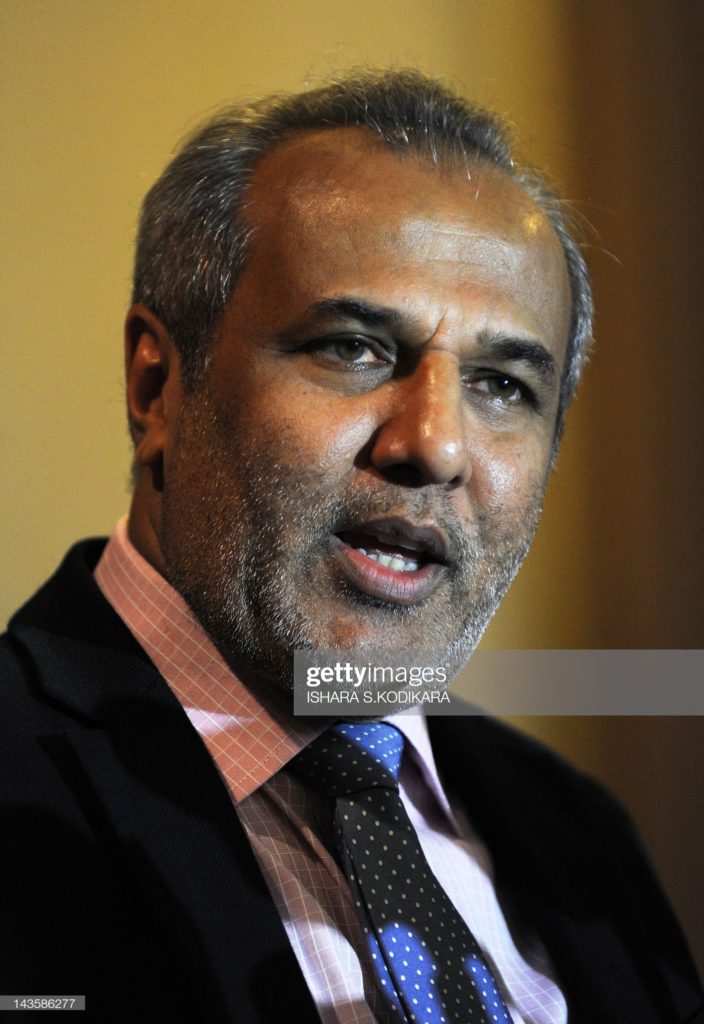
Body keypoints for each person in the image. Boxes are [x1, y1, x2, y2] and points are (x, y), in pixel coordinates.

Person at [1, 69, 701, 1024]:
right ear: (157, 387)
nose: (435, 444)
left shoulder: (583, 837)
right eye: (353, 348)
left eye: (502, 385)